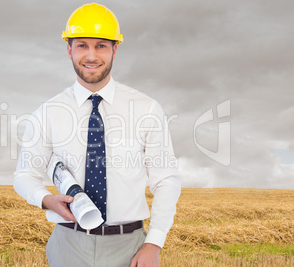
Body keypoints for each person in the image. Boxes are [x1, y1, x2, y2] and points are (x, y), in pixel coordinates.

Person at [14, 3, 181, 266]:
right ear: (69, 50)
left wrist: (154, 244)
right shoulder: (47, 112)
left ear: (115, 49)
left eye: (101, 45)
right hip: (68, 245)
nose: (91, 55)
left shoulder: (146, 108)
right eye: (82, 45)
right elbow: (24, 175)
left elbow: (166, 180)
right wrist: (46, 200)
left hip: (130, 246)